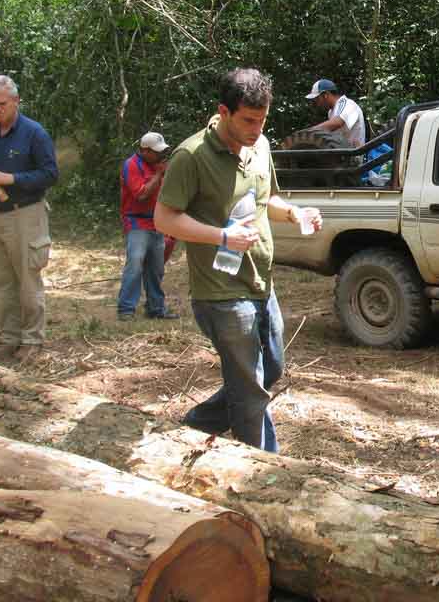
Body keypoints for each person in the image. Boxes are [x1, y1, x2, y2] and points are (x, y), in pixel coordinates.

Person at [154, 68, 322, 452]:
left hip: (261, 283)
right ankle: (261, 470)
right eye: (248, 120)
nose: (256, 129)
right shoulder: (191, 156)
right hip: (221, 291)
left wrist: (294, 213)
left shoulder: (260, 146)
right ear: (223, 112)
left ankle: (194, 427)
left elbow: (267, 200)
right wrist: (223, 237)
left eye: (263, 120)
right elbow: (164, 219)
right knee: (249, 390)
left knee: (271, 368)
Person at [0, 74, 58, 361]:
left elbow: (50, 174)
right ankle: (8, 338)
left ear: (16, 100)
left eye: (2, 104)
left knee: (28, 280)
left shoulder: (34, 133)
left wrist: (11, 178)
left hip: (26, 213)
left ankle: (32, 341)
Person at [117, 132, 179, 321]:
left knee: (156, 267)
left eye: (162, 151)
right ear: (144, 151)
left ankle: (155, 308)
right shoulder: (132, 165)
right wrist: (159, 174)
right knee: (135, 263)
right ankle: (126, 309)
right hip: (137, 221)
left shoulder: (157, 165)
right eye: (156, 152)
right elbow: (141, 195)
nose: (161, 155)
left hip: (157, 221)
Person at [305, 78, 366, 149]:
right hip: (344, 151)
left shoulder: (347, 104)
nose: (318, 104)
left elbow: (337, 122)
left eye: (318, 99)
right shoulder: (331, 112)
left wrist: (308, 132)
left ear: (325, 95)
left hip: (354, 153)